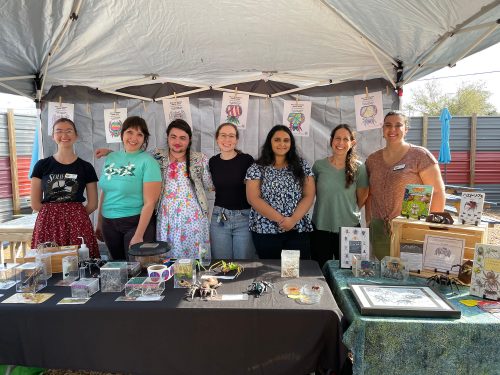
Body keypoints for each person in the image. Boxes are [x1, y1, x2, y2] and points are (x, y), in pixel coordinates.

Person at [366, 110, 445, 259]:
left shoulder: (420, 156)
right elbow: (369, 193)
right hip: (379, 229)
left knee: (410, 274)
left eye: (398, 125)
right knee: (378, 274)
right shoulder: (372, 159)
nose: (392, 129)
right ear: (382, 130)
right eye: (388, 125)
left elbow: (438, 193)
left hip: (410, 228)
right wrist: (369, 220)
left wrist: (432, 228)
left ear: (406, 130)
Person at [30, 118, 100, 257]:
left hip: (78, 221)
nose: (64, 135)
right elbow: (35, 203)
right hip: (48, 222)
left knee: (82, 260)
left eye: (69, 131)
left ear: (76, 136)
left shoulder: (86, 167)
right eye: (59, 131)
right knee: (49, 262)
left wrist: (75, 214)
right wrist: (54, 214)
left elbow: (93, 204)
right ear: (53, 136)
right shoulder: (42, 165)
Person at [96, 116, 161, 260]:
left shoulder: (148, 162)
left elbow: (150, 203)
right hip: (109, 224)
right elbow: (105, 191)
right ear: (122, 134)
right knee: (117, 268)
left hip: (135, 223)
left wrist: (139, 235)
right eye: (130, 132)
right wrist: (99, 222)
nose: (134, 138)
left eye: (140, 134)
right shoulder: (111, 158)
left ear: (144, 139)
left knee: (136, 271)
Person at [245, 125, 315, 259]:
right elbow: (253, 198)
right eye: (277, 140)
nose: (282, 144)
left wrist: (293, 220)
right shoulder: (257, 167)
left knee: (297, 272)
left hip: (297, 228)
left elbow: (309, 195)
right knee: (270, 273)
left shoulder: (302, 165)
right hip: (265, 229)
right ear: (269, 142)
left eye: (286, 140)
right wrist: (282, 221)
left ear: (291, 143)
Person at [152, 119, 214, 259]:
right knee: (167, 257)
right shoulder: (157, 157)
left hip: (193, 217)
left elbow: (210, 185)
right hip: (166, 216)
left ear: (189, 140)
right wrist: (113, 153)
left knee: (196, 258)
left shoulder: (199, 159)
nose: (177, 141)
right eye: (173, 137)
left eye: (182, 138)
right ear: (167, 137)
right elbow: (137, 160)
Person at [311, 124, 369, 268]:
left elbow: (362, 197)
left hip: (351, 230)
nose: (341, 143)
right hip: (321, 227)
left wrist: (347, 212)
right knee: (320, 272)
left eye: (345, 139)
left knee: (351, 271)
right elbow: (314, 194)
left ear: (352, 143)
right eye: (337, 138)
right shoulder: (318, 166)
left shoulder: (359, 168)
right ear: (331, 140)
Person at [209, 123, 256, 259]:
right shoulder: (212, 162)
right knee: (221, 264)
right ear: (217, 139)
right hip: (219, 219)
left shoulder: (247, 160)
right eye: (223, 135)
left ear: (236, 140)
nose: (227, 140)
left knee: (244, 264)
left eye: (231, 136)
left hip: (244, 218)